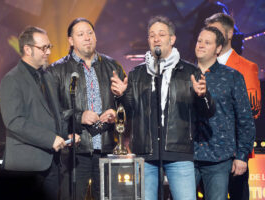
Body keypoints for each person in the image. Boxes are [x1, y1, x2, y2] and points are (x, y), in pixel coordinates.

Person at [111, 15, 215, 200]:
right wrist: (121, 95)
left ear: (172, 39)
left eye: (161, 34)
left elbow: (207, 112)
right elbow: (130, 111)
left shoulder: (190, 72)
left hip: (179, 152)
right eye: (152, 35)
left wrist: (203, 96)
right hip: (145, 153)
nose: (156, 39)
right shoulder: (137, 74)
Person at [0, 26, 80, 200]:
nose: (48, 52)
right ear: (27, 49)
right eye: (44, 48)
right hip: (25, 166)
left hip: (51, 164)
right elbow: (14, 121)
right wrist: (50, 139)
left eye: (49, 46)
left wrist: (66, 136)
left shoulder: (48, 77)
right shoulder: (11, 79)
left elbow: (54, 114)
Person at [49, 18, 126, 200]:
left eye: (90, 33)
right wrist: (78, 116)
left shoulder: (112, 66)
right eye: (80, 34)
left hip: (107, 148)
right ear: (70, 40)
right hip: (75, 151)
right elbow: (50, 111)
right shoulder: (57, 70)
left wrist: (116, 113)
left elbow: (128, 104)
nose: (87, 38)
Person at [194, 26, 255, 200]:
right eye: (199, 41)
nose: (201, 45)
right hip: (186, 156)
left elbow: (245, 118)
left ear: (218, 49)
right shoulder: (184, 74)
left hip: (219, 157)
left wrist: (242, 155)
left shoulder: (232, 77)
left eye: (207, 42)